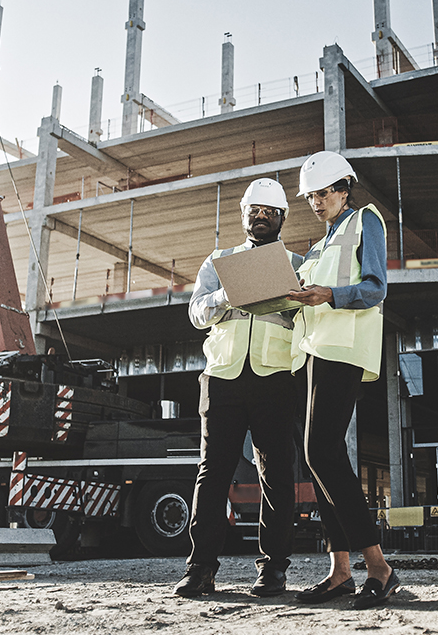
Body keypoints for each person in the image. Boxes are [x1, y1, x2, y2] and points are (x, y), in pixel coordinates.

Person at [174, 178, 301, 598]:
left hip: (276, 378)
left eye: (269, 211)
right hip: (223, 377)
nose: (261, 216)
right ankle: (200, 569)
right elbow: (196, 314)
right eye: (254, 210)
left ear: (282, 217)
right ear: (243, 214)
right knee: (212, 476)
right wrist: (229, 294)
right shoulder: (218, 261)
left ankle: (273, 570)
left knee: (277, 475)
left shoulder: (299, 263)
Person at [287, 151, 400, 610]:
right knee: (319, 458)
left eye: (323, 192)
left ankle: (379, 567)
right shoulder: (318, 245)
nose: (316, 201)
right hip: (313, 353)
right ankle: (340, 572)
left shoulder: (365, 221)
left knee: (321, 452)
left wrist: (329, 294)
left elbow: (376, 288)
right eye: (310, 195)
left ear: (343, 188)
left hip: (343, 350)